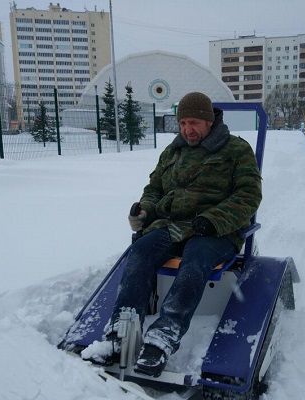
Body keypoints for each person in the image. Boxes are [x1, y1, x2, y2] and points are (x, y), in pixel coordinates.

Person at [95, 92, 262, 377]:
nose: (187, 129)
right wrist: (145, 211)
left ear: (209, 121)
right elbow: (155, 189)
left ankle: (164, 336)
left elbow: (248, 195)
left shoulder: (235, 150)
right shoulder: (173, 151)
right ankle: (121, 330)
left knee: (196, 257)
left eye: (194, 122)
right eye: (182, 123)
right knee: (141, 251)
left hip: (215, 231)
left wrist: (212, 220)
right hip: (170, 225)